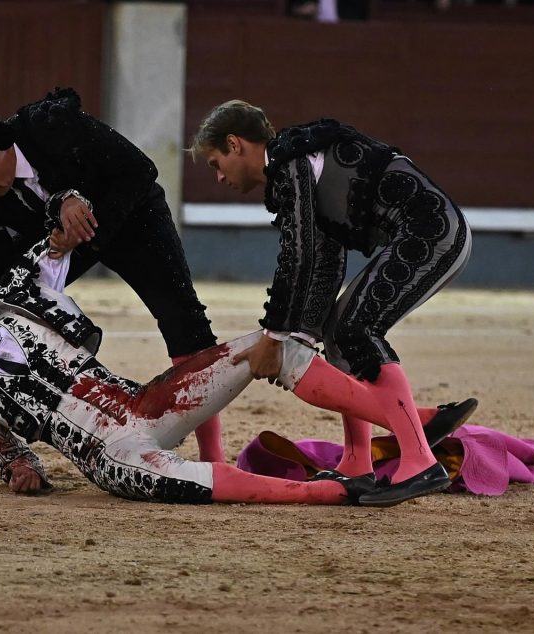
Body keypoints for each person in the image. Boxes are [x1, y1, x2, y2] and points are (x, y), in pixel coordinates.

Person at [0, 238, 475, 506]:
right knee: (200, 480)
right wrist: (20, 471)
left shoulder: (12, 296)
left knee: (270, 346)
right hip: (106, 458)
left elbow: (52, 248)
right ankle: (336, 491)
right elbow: (5, 450)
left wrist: (67, 216)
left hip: (145, 405)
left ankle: (410, 431)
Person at [0, 88, 226, 486]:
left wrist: (88, 230)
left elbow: (139, 171)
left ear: (5, 148)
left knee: (184, 321)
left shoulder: (51, 126)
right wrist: (29, 277)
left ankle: (214, 458)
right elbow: (2, 273)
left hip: (131, 217)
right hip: (58, 242)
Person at [190, 100, 473, 504]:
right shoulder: (297, 162)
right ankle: (358, 461)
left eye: (216, 163)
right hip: (430, 232)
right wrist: (302, 333)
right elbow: (323, 261)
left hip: (432, 233)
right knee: (338, 332)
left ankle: (419, 460)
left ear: (235, 144)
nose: (218, 177)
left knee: (356, 329)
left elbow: (298, 257)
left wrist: (274, 337)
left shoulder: (290, 165)